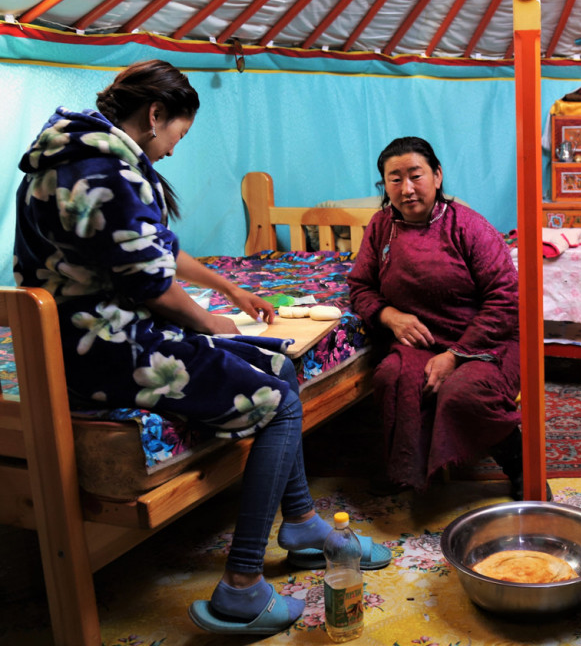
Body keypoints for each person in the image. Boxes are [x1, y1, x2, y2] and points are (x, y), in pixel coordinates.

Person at [13, 59, 390, 637]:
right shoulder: (107, 171)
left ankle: (303, 524)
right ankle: (242, 586)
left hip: (81, 341)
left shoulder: (66, 156)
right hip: (110, 351)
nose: (171, 151)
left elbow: (154, 252)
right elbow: (152, 287)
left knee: (278, 364)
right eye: (178, 136)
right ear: (156, 115)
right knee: (281, 402)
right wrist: (214, 324)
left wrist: (230, 286)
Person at [348, 136, 528, 496]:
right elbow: (360, 286)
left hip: (484, 342)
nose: (407, 188)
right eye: (395, 179)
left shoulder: (469, 227)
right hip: (422, 341)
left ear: (438, 176)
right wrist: (389, 316)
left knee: (463, 392)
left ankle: (519, 464)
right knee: (391, 376)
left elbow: (505, 298)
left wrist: (456, 355)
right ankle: (404, 467)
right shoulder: (381, 226)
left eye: (416, 175)